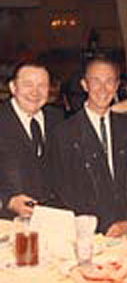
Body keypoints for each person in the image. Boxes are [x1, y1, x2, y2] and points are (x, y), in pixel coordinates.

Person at [47, 56, 127, 237]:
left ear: (117, 85)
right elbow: (62, 189)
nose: (103, 88)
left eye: (109, 81)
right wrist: (102, 225)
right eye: (96, 81)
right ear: (85, 85)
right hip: (88, 231)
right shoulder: (64, 133)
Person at [0, 61, 64, 218]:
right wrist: (7, 201)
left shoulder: (57, 119)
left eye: (42, 85)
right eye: (28, 84)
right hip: (7, 223)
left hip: (52, 219)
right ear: (13, 87)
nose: (35, 92)